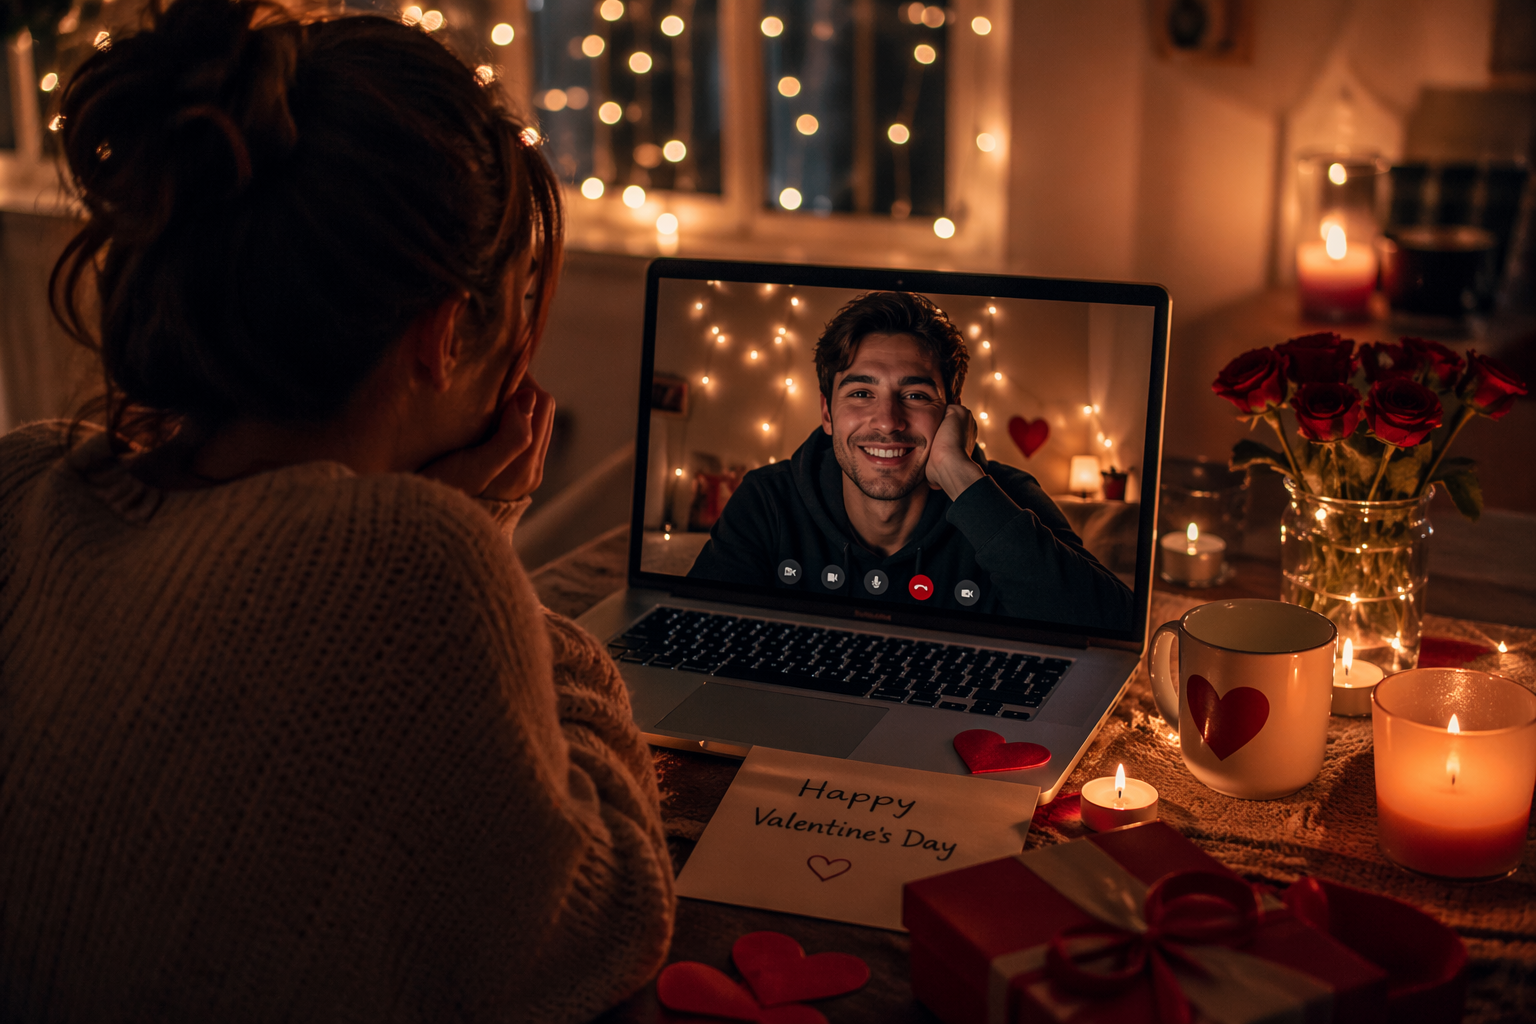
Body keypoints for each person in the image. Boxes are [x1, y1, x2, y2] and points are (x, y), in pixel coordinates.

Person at [0, 2, 673, 1020]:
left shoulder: (24, 480)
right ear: (445, 334)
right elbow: (613, 912)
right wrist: (483, 545)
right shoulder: (418, 561)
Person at [687, 292, 1134, 631]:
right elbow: (697, 637)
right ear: (827, 412)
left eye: (916, 395)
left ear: (953, 412)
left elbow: (1113, 628)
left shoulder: (1006, 498)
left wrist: (963, 478)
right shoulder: (768, 500)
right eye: (861, 393)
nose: (888, 421)